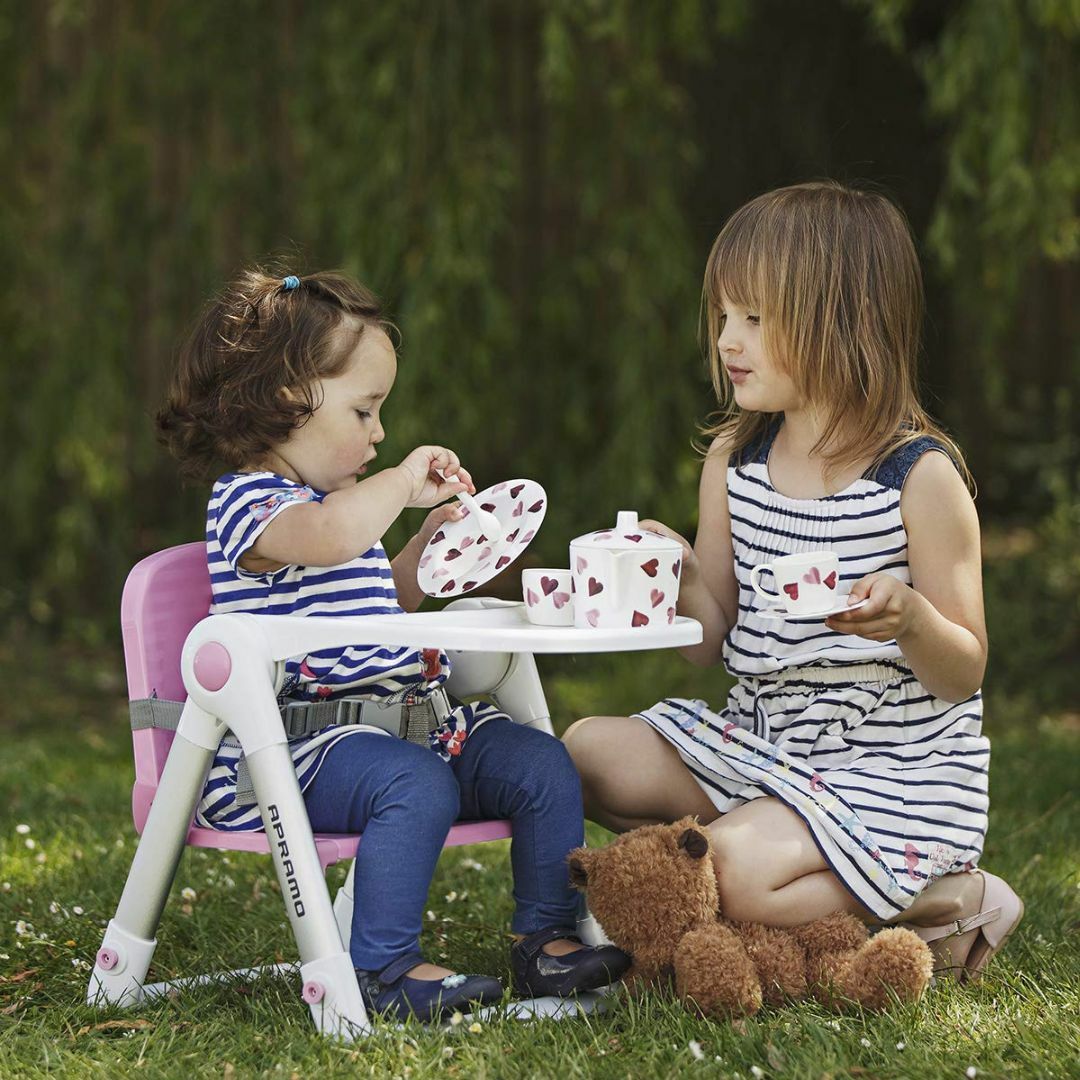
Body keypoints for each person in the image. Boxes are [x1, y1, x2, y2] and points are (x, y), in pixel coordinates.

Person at [564, 182, 1023, 982]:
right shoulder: (733, 463)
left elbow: (966, 669)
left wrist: (911, 619)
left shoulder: (919, 479)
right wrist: (672, 572)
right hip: (766, 751)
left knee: (728, 871)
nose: (728, 342)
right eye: (723, 318)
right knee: (584, 753)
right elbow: (710, 643)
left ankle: (958, 898)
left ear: (842, 324)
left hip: (892, 772)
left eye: (756, 320)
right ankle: (784, 889)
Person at [156, 267, 628, 1021]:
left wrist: (422, 549)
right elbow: (335, 537)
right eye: (365, 410)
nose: (379, 433)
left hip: (414, 731)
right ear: (286, 400)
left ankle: (547, 936)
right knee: (415, 785)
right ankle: (384, 967)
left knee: (541, 763)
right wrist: (402, 483)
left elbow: (381, 602)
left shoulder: (342, 514)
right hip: (305, 752)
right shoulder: (251, 505)